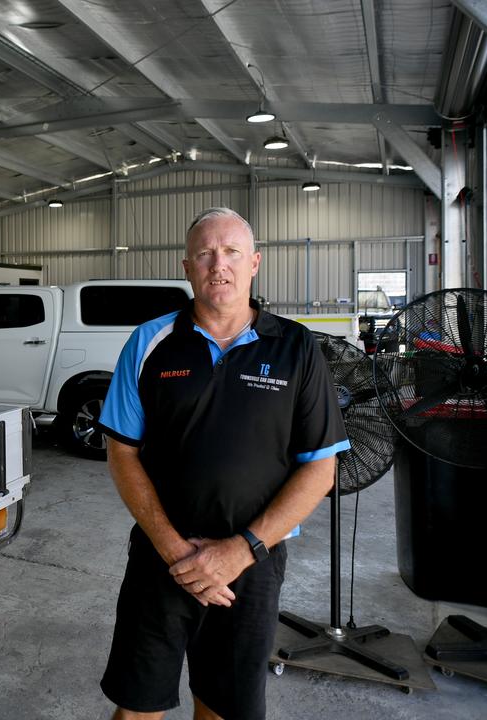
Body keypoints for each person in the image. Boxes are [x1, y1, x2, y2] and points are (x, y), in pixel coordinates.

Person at [97, 207, 349, 720]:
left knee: (223, 707)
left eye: (232, 252)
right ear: (187, 267)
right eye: (206, 253)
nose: (219, 265)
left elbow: (320, 468)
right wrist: (174, 551)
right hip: (159, 558)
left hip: (253, 565)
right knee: (138, 707)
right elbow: (122, 452)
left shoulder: (296, 348)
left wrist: (241, 551)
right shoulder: (149, 343)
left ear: (254, 263)